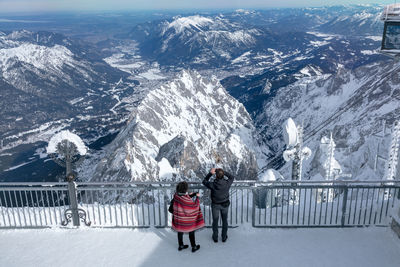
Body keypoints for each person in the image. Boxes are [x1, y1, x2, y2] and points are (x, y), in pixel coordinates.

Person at [202, 168, 234, 243]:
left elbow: (204, 181)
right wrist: (223, 171)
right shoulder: (227, 183)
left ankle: (215, 237)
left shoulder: (213, 184)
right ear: (223, 176)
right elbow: (232, 177)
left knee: (215, 221)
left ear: (216, 176)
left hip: (215, 205)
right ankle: (224, 237)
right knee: (224, 220)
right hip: (225, 204)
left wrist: (210, 173)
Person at [171, 181, 205, 252]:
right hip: (187, 221)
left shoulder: (176, 196)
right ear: (185, 190)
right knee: (191, 231)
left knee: (180, 231)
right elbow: (194, 207)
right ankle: (194, 247)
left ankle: (181, 245)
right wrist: (197, 198)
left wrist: (192, 195)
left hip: (179, 219)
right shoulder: (186, 199)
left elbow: (183, 198)